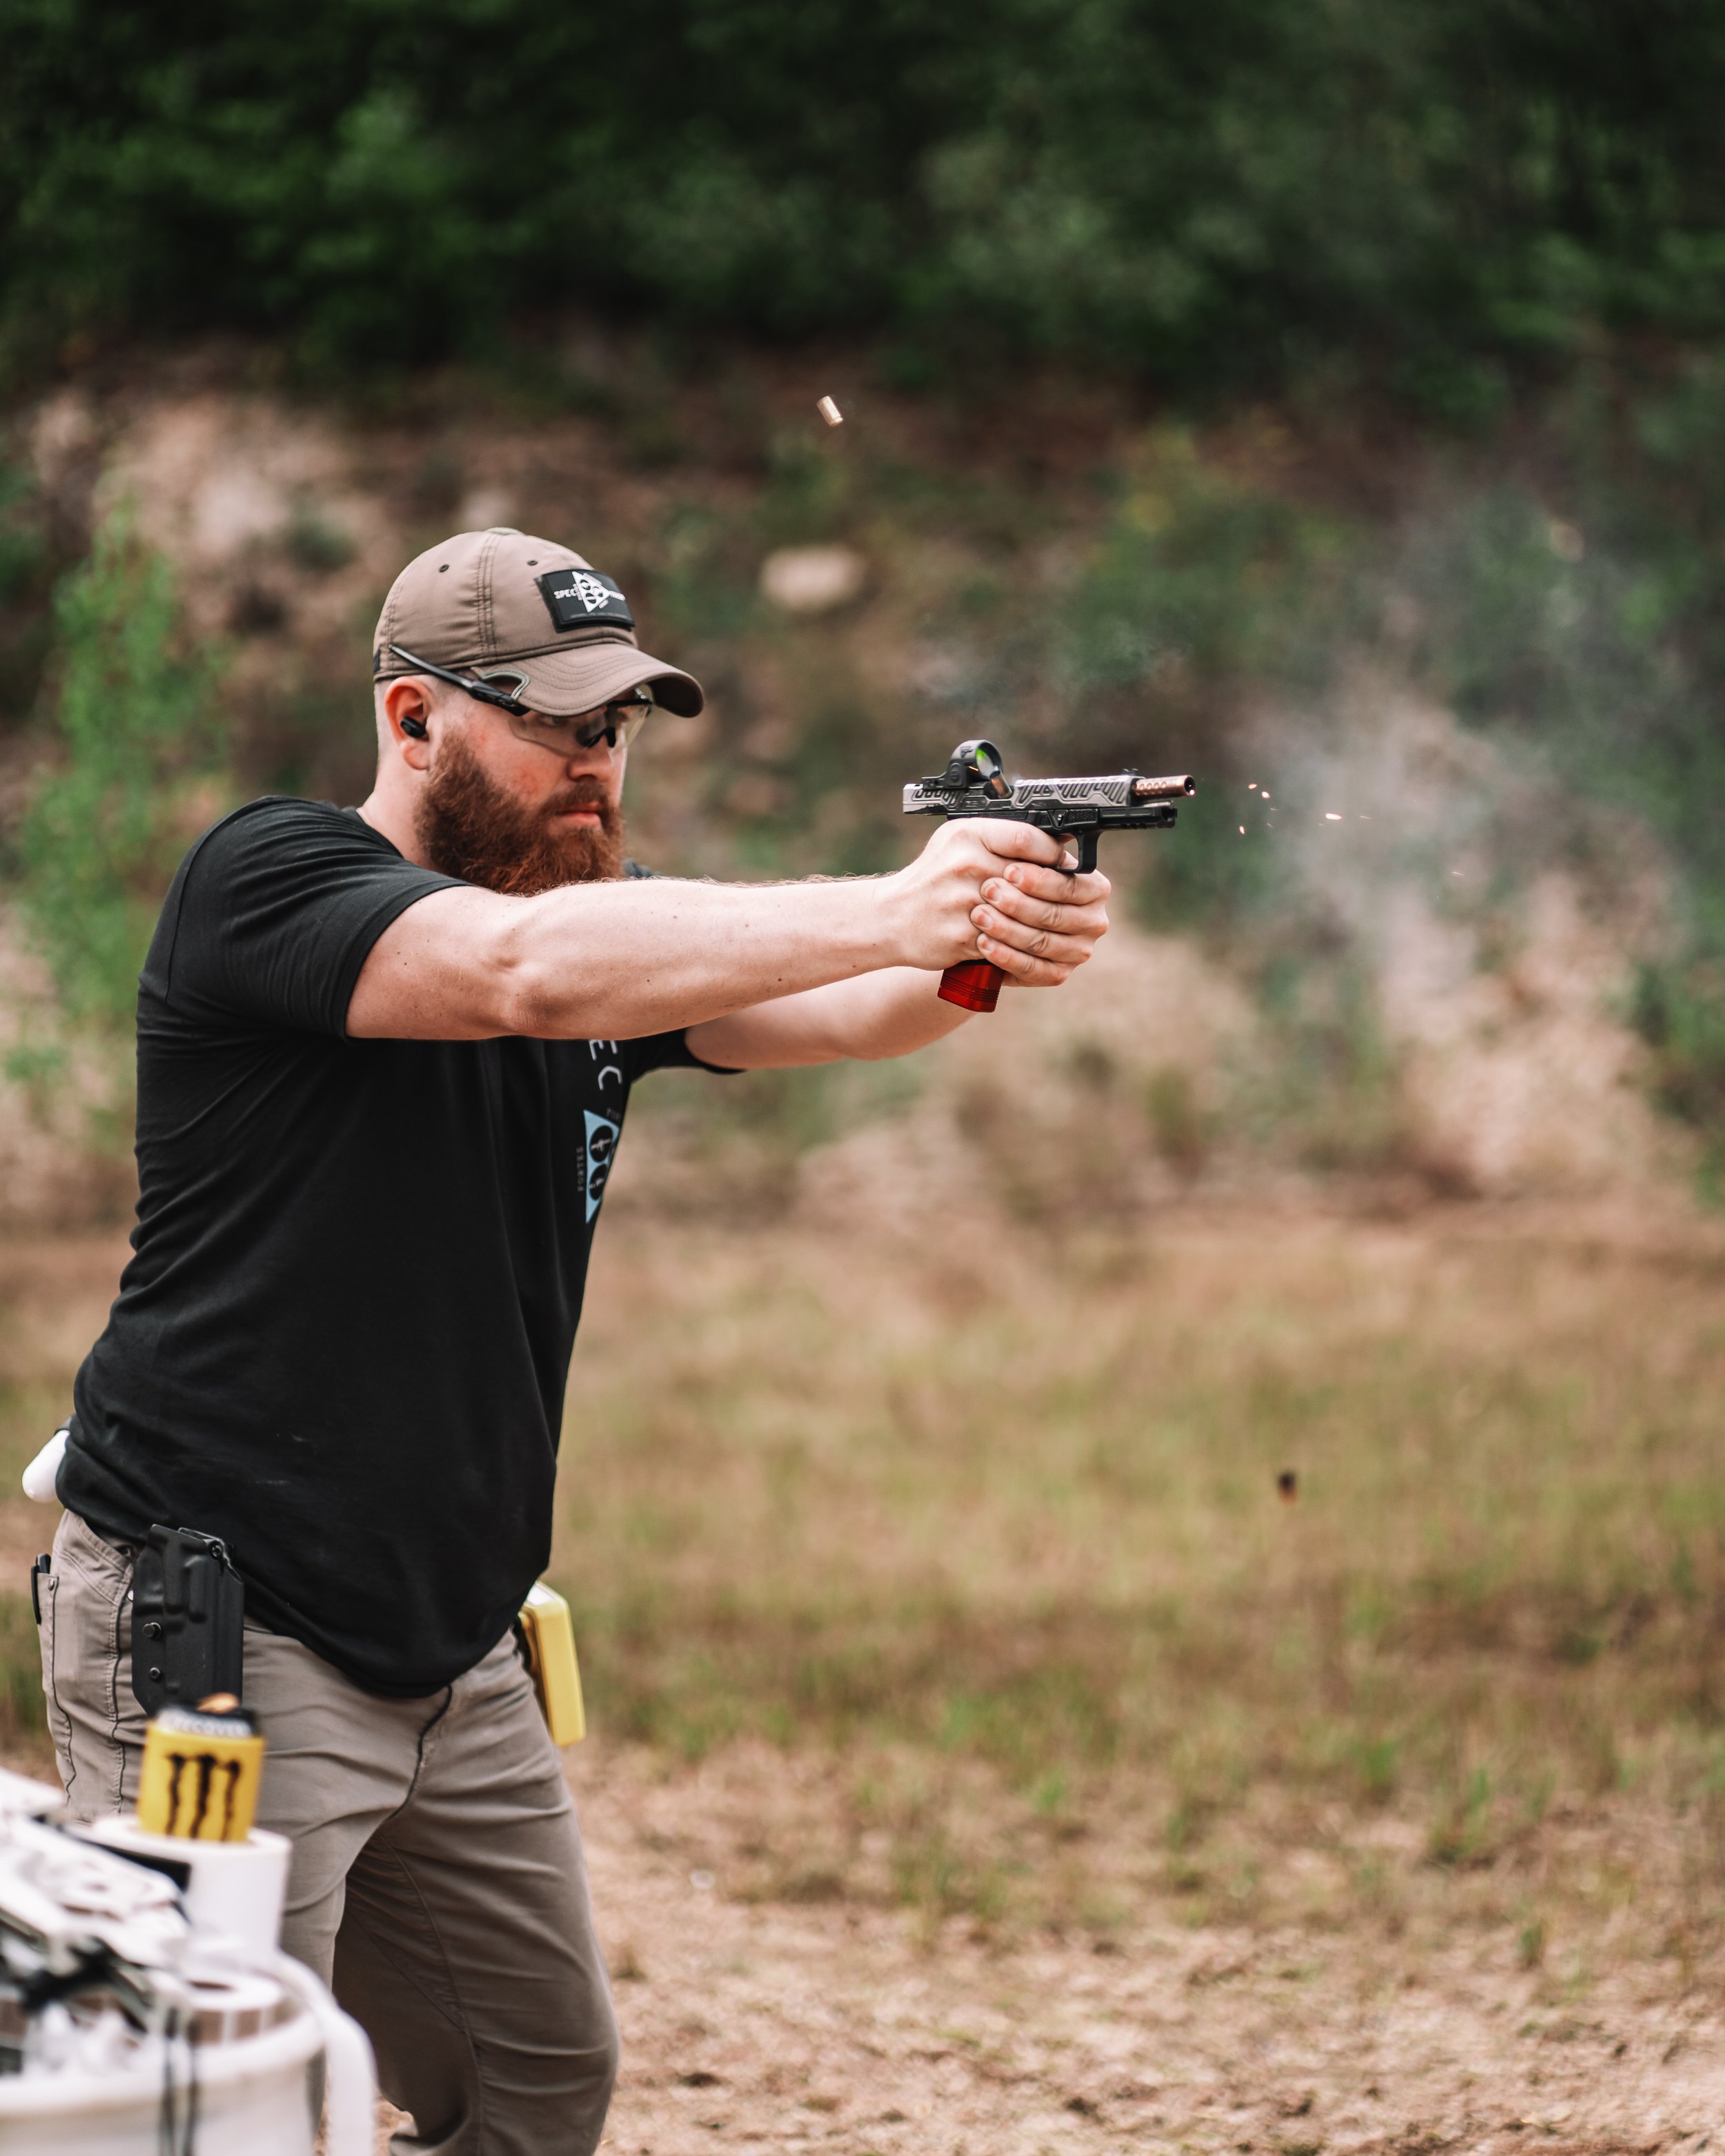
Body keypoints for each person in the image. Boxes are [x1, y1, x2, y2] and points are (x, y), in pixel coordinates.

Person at [35, 525, 1110, 2155]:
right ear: (411, 722)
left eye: (612, 727)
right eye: (551, 725)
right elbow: (520, 976)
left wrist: (979, 945)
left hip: (450, 1641)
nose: (595, 764)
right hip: (220, 1628)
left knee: (537, 2086)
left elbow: (846, 1008)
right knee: (208, 2112)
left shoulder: (608, 926)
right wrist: (901, 903)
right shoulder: (273, 881)